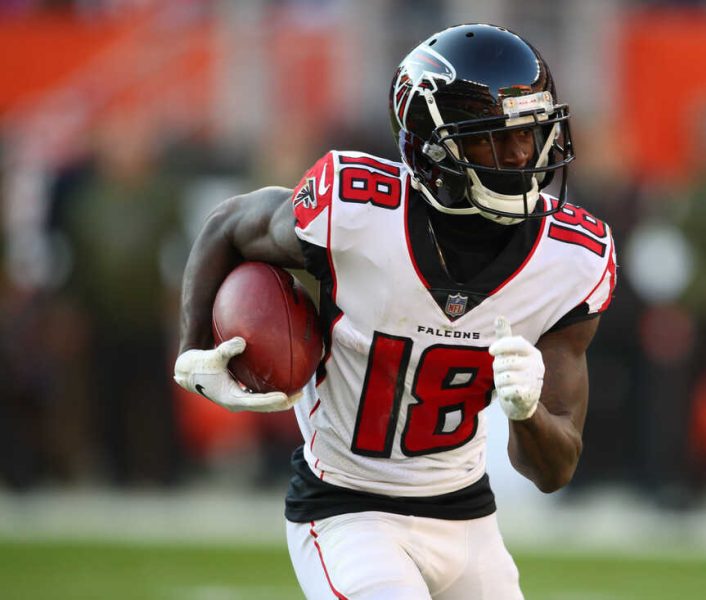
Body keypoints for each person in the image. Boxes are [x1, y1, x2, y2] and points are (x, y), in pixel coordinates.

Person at [174, 23, 616, 599]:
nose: (521, 155)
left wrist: (526, 410)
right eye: (494, 138)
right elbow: (228, 225)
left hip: (468, 518)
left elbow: (553, 472)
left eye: (532, 133)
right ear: (432, 145)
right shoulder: (355, 211)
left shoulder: (570, 261)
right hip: (346, 508)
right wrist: (190, 349)